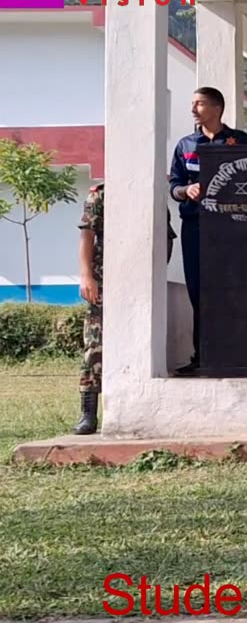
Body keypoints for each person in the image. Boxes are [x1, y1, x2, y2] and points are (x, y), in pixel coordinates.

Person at [168, 86, 247, 375]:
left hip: (231, 227)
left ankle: (236, 352)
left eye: (200, 104)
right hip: (195, 225)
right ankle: (202, 354)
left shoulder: (238, 140)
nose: (193, 109)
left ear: (217, 108)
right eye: (192, 103)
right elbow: (174, 186)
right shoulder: (184, 145)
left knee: (231, 288)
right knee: (199, 290)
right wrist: (185, 190)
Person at [75, 184, 105, 435]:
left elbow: (166, 237)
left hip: (138, 283)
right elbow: (87, 234)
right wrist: (86, 276)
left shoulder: (148, 190)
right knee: (95, 345)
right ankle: (88, 414)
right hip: (103, 281)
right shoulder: (101, 194)